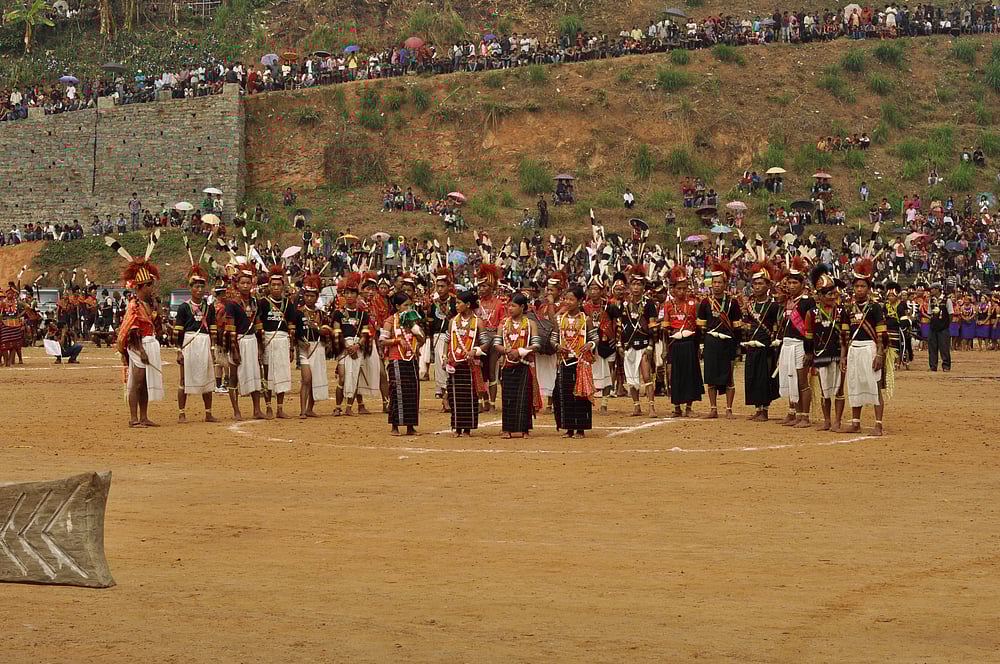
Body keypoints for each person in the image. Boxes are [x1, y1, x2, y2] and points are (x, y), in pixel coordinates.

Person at [115, 249, 164, 428]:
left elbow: (156, 325)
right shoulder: (134, 305)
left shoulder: (148, 304)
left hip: (149, 343)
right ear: (141, 287)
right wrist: (141, 351)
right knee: (136, 382)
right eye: (149, 285)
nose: (152, 288)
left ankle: (144, 417)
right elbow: (133, 331)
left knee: (144, 383)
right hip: (138, 346)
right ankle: (133, 418)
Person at [840, 259, 888, 435]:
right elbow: (844, 336)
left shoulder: (875, 308)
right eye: (856, 286)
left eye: (862, 286)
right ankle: (855, 423)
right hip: (853, 349)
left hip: (870, 349)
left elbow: (882, 334)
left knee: (874, 386)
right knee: (854, 385)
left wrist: (880, 355)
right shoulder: (847, 309)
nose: (859, 289)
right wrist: (843, 356)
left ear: (869, 289)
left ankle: (878, 425)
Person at [697, 259, 742, 419]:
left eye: (720, 282)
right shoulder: (705, 303)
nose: (716, 285)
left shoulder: (732, 303)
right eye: (714, 282)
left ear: (725, 284)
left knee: (729, 377)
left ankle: (729, 409)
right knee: (711, 377)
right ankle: (713, 408)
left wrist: (737, 347)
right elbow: (701, 327)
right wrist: (701, 345)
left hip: (727, 343)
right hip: (711, 343)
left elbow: (737, 327)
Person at [174, 265, 218, 423]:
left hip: (205, 342)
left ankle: (208, 413)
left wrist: (212, 348)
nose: (199, 290)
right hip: (189, 343)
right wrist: (179, 350)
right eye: (196, 287)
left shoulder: (209, 308)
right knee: (184, 379)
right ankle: (181, 413)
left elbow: (213, 329)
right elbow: (178, 331)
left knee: (207, 378)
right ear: (190, 288)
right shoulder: (184, 307)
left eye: (201, 287)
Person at [495, 293, 542, 438]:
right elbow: (496, 344)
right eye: (509, 305)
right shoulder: (503, 324)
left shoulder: (530, 324)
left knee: (524, 397)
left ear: (522, 307)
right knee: (508, 397)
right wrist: (506, 351)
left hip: (524, 365)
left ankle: (524, 429)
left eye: (513, 306)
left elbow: (536, 345)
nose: (510, 308)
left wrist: (520, 352)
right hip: (508, 364)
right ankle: (507, 429)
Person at [444, 290, 491, 436]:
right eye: (456, 303)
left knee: (469, 396)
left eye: (459, 303)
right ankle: (457, 427)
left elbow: (485, 343)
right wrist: (445, 357)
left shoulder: (478, 322)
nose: (456, 305)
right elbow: (447, 341)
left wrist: (474, 351)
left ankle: (467, 429)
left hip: (470, 364)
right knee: (455, 396)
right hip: (454, 363)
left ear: (468, 304)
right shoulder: (452, 321)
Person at [806, 265, 846, 432]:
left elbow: (845, 336)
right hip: (821, 355)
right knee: (825, 389)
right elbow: (808, 336)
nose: (833, 296)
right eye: (829, 294)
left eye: (834, 293)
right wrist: (809, 354)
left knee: (839, 389)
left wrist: (844, 355)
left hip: (838, 355)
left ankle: (837, 421)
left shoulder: (842, 311)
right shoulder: (812, 313)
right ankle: (827, 420)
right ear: (820, 295)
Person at [552, 285, 595, 438]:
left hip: (580, 362)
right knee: (564, 394)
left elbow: (595, 338)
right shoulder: (559, 319)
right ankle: (568, 428)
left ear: (579, 301)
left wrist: (590, 344)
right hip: (564, 362)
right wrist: (557, 346)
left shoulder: (586, 320)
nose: (568, 302)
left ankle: (580, 429)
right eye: (566, 299)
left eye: (571, 299)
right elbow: (553, 339)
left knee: (581, 395)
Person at [332, 272, 378, 416]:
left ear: (357, 295)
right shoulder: (338, 313)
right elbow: (336, 331)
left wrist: (357, 346)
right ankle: (338, 407)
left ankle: (349, 407)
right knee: (343, 377)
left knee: (354, 377)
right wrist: (347, 346)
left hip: (357, 347)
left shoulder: (362, 314)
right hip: (343, 348)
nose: (349, 296)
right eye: (347, 293)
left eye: (352, 293)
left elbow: (365, 333)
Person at [777, 257, 815, 428]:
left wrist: (809, 351)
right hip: (787, 343)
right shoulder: (787, 301)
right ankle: (793, 413)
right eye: (790, 283)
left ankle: (804, 416)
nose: (791, 286)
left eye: (795, 283)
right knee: (789, 379)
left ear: (802, 284)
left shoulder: (808, 301)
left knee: (802, 381)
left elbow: (810, 328)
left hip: (800, 344)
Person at [660, 265, 702, 417]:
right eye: (679, 288)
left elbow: (698, 328)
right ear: (673, 289)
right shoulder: (668, 306)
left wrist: (698, 346)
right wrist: (664, 349)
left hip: (689, 344)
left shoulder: (693, 304)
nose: (682, 291)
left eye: (684, 288)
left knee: (690, 374)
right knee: (674, 375)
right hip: (674, 344)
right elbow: (665, 330)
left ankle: (689, 407)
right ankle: (677, 407)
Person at [381, 291, 425, 436]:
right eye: (405, 305)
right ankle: (395, 426)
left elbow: (422, 339)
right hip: (396, 360)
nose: (408, 308)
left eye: (410, 305)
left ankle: (410, 426)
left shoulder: (412, 320)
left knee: (413, 391)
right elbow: (382, 341)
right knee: (397, 391)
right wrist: (397, 340)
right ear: (398, 306)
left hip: (412, 359)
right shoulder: (390, 321)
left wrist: (417, 334)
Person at [225, 264, 266, 420]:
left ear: (252, 284)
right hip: (238, 341)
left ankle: (257, 410)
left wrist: (260, 347)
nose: (245, 286)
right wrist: (234, 350)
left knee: (255, 375)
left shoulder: (255, 302)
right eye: (242, 283)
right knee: (234, 377)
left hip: (252, 341)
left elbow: (259, 326)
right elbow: (230, 329)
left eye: (248, 283)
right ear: (237, 284)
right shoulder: (232, 304)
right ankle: (236, 411)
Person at [742, 261, 781, 421]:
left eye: (760, 284)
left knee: (763, 378)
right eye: (755, 284)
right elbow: (746, 324)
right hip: (752, 346)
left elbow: (776, 327)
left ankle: (764, 410)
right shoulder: (750, 305)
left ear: (768, 285)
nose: (757, 287)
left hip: (766, 347)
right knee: (752, 377)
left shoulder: (773, 305)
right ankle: (757, 409)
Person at [618, 265, 659, 417]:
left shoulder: (649, 304)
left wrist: (650, 346)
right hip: (629, 346)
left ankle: (651, 407)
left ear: (643, 286)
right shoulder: (624, 305)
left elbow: (653, 327)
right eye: (633, 284)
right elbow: (620, 327)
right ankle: (636, 407)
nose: (636, 287)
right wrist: (619, 345)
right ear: (630, 286)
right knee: (631, 378)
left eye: (639, 284)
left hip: (644, 345)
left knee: (647, 376)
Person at [258, 265, 296, 419]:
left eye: (278, 285)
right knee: (267, 374)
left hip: (283, 341)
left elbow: (292, 326)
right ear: (269, 286)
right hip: (267, 340)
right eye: (273, 285)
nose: (276, 288)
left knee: (281, 374)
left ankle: (280, 408)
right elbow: (259, 324)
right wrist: (260, 346)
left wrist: (291, 348)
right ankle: (268, 407)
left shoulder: (288, 304)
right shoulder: (263, 303)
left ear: (283, 286)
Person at [296, 272, 334, 418]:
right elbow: (295, 331)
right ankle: (302, 410)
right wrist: (300, 342)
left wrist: (320, 330)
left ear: (317, 297)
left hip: (318, 347)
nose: (309, 298)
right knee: (306, 379)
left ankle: (310, 408)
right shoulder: (298, 313)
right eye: (307, 296)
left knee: (315, 378)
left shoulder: (322, 314)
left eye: (312, 296)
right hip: (304, 349)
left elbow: (328, 332)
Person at [584, 275, 619, 414]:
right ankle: (588, 403)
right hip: (590, 346)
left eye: (596, 289)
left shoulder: (610, 306)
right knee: (589, 374)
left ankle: (604, 404)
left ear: (602, 290)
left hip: (606, 345)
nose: (593, 292)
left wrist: (616, 340)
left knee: (607, 375)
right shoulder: (584, 307)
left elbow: (618, 324)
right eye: (591, 288)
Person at [428, 268, 458, 409]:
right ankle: (445, 396)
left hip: (452, 337)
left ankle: (448, 396)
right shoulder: (432, 303)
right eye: (437, 286)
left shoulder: (455, 302)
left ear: (448, 287)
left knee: (449, 365)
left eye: (442, 286)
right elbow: (430, 322)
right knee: (440, 366)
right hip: (437, 337)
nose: (439, 289)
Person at [925, 283, 952, 371]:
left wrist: (946, 324)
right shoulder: (931, 300)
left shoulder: (947, 300)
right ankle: (933, 366)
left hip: (943, 327)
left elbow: (950, 314)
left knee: (944, 347)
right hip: (933, 327)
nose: (931, 291)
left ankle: (946, 366)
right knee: (932, 347)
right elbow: (930, 313)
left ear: (937, 289)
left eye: (932, 289)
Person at [1, 283, 24, 367]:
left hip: (15, 325)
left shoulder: (17, 302)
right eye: (8, 293)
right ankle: (6, 361)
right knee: (4, 344)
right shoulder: (2, 303)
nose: (9, 294)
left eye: (11, 293)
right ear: (6, 294)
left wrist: (19, 316)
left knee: (14, 345)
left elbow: (27, 307)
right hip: (5, 325)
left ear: (14, 294)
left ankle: (10, 362)